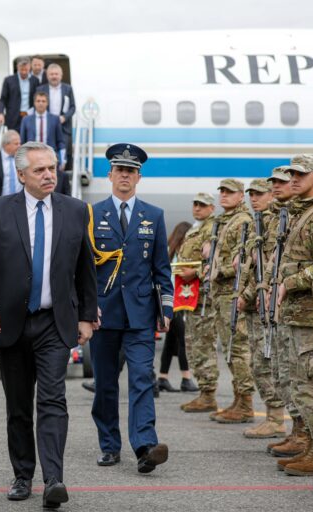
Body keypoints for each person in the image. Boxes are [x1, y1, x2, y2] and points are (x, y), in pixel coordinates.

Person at [0, 141, 97, 509]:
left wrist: (88, 315)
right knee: (19, 406)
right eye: (40, 170)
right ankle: (23, 475)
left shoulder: (75, 210)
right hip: (9, 323)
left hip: (55, 323)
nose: (49, 175)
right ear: (21, 175)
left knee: (54, 398)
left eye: (52, 168)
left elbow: (86, 267)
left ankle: (53, 479)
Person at [88, 143, 173, 473]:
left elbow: (162, 268)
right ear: (109, 175)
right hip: (103, 314)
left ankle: (144, 446)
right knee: (106, 385)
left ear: (139, 177)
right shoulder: (92, 215)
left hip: (140, 316)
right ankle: (109, 446)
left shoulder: (154, 216)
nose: (125, 176)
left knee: (141, 378)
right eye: (119, 170)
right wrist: (84, 310)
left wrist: (166, 308)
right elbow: (84, 269)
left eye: (131, 171)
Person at [273, 154, 313, 477]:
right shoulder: (300, 212)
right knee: (300, 383)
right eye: (290, 174)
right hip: (296, 314)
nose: (293, 179)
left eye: (300, 174)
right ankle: (310, 442)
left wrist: (289, 282)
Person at [260, 169, 306, 457]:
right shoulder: (277, 216)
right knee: (282, 371)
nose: (276, 187)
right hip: (281, 304)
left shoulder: (303, 215)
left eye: (281, 182)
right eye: (273, 183)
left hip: (301, 306)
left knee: (300, 376)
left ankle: (306, 437)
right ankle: (297, 431)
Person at [238, 178, 287, 439]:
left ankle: (276, 418)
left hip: (263, 303)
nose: (253, 199)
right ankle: (272, 415)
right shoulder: (258, 222)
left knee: (266, 362)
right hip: (253, 302)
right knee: (258, 362)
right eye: (251, 195)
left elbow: (267, 267)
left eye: (259, 194)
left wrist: (246, 294)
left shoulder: (274, 222)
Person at [207, 179, 254, 424]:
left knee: (238, 348)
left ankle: (245, 402)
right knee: (229, 348)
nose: (223, 196)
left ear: (240, 195)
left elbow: (243, 260)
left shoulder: (243, 221)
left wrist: (218, 269)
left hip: (232, 293)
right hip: (221, 293)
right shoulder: (224, 221)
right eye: (222, 192)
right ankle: (238, 398)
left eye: (229, 192)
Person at [179, 193, 220, 413]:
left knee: (203, 344)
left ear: (211, 208)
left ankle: (208, 393)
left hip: (204, 295)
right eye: (195, 204)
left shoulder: (212, 228)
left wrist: (194, 272)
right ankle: (204, 392)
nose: (197, 208)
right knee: (193, 344)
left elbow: (215, 260)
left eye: (202, 205)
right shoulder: (196, 228)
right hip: (190, 294)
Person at [157, 221, 199, 393]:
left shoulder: (168, 251)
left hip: (166, 302)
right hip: (176, 301)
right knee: (183, 339)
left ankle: (163, 377)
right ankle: (186, 378)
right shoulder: (180, 255)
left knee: (170, 341)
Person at [37, 64, 75, 169]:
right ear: (47, 76)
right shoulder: (40, 89)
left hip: (63, 126)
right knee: (47, 152)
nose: (54, 76)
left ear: (61, 75)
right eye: (51, 74)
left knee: (64, 154)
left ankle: (62, 176)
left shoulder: (68, 89)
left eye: (56, 74)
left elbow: (72, 107)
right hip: (46, 126)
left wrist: (64, 117)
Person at [20, 92, 66, 169]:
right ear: (34, 103)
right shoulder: (26, 120)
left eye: (43, 101)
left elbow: (60, 141)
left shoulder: (55, 119)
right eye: (38, 101)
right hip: (31, 158)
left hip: (50, 157)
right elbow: (22, 142)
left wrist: (63, 160)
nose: (40, 103)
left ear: (47, 103)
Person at [0, 58, 39, 131]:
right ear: (17, 67)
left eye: (26, 70)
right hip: (13, 117)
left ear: (30, 67)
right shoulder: (8, 80)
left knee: (29, 140)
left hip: (29, 116)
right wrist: (0, 113)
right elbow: (3, 99)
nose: (23, 72)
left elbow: (37, 98)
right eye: (21, 70)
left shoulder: (35, 80)